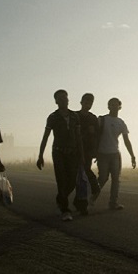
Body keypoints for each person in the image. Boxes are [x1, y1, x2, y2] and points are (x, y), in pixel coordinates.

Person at [36, 89, 84, 221]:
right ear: (56, 101)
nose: (64, 100)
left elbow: (79, 137)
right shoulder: (53, 117)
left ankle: (60, 199)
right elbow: (45, 137)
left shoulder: (75, 116)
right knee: (61, 180)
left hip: (73, 153)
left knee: (72, 182)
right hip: (58, 152)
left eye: (66, 97)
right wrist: (40, 155)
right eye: (61, 98)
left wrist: (82, 155)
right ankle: (65, 209)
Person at [95, 97, 136, 210]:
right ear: (108, 107)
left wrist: (132, 155)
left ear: (119, 107)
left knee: (116, 179)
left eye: (116, 104)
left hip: (115, 154)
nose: (114, 106)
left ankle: (113, 202)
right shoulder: (102, 119)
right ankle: (91, 197)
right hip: (102, 153)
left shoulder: (121, 123)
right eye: (111, 104)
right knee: (103, 178)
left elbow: (126, 140)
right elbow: (94, 135)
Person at [77, 93, 102, 205]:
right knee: (79, 174)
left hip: (88, 150)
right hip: (75, 148)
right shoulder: (75, 116)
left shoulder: (93, 118)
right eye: (86, 101)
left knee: (84, 171)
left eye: (90, 102)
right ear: (81, 102)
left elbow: (97, 135)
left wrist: (96, 151)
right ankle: (80, 199)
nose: (88, 104)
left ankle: (82, 201)